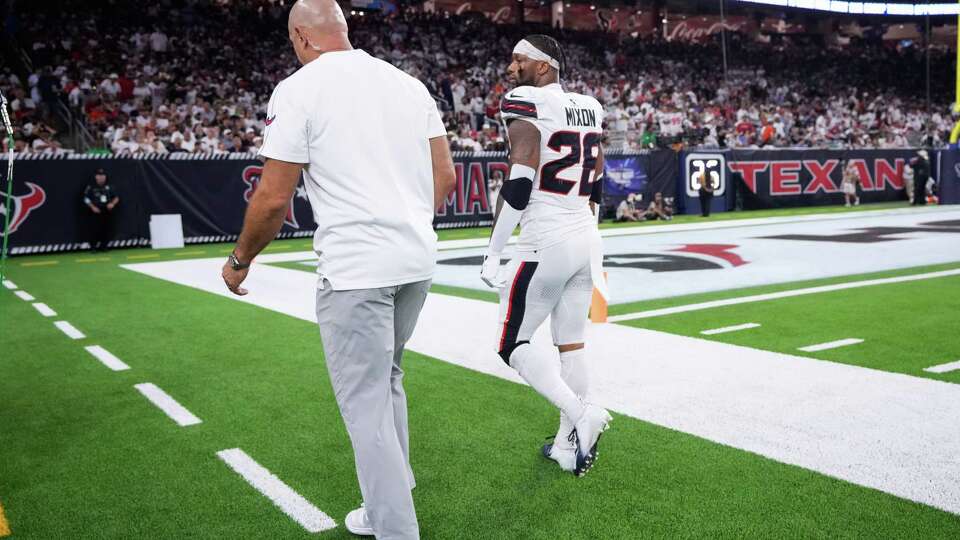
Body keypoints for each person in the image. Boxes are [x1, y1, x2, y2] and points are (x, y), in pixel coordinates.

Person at [219, 1, 456, 538]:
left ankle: (394, 525)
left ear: (301, 36)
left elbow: (273, 197)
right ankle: (390, 495)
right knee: (389, 379)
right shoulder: (408, 84)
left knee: (366, 402)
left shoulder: (299, 88)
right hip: (416, 259)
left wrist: (240, 260)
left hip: (356, 267)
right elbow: (444, 177)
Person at [479, 35, 612, 478]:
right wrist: (586, 231)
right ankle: (563, 445)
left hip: (545, 239)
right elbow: (596, 182)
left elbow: (519, 181)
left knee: (511, 343)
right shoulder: (591, 106)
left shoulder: (525, 101)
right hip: (585, 237)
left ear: (544, 67)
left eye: (520, 59)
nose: (511, 65)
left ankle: (581, 413)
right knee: (571, 344)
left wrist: (495, 251)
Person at [82, 168, 119, 251]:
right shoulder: (91, 187)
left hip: (107, 210)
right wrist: (92, 207)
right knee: (94, 229)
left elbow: (116, 197)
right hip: (95, 210)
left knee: (106, 229)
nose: (102, 177)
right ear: (96, 177)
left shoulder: (109, 186)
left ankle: (104, 246)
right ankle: (93, 247)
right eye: (100, 175)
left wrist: (112, 203)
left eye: (103, 175)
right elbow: (85, 198)